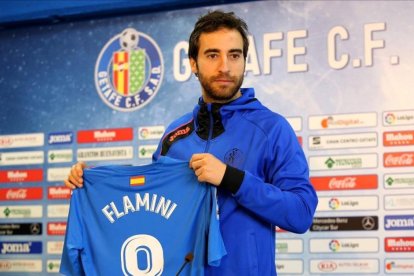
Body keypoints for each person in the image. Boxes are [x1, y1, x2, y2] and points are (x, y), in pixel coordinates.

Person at [65, 10, 318, 275]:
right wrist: (92, 183)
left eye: (234, 55)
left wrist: (231, 178)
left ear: (244, 60)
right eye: (212, 55)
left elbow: (301, 213)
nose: (225, 66)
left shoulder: (272, 129)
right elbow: (146, 210)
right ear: (193, 63)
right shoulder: (175, 135)